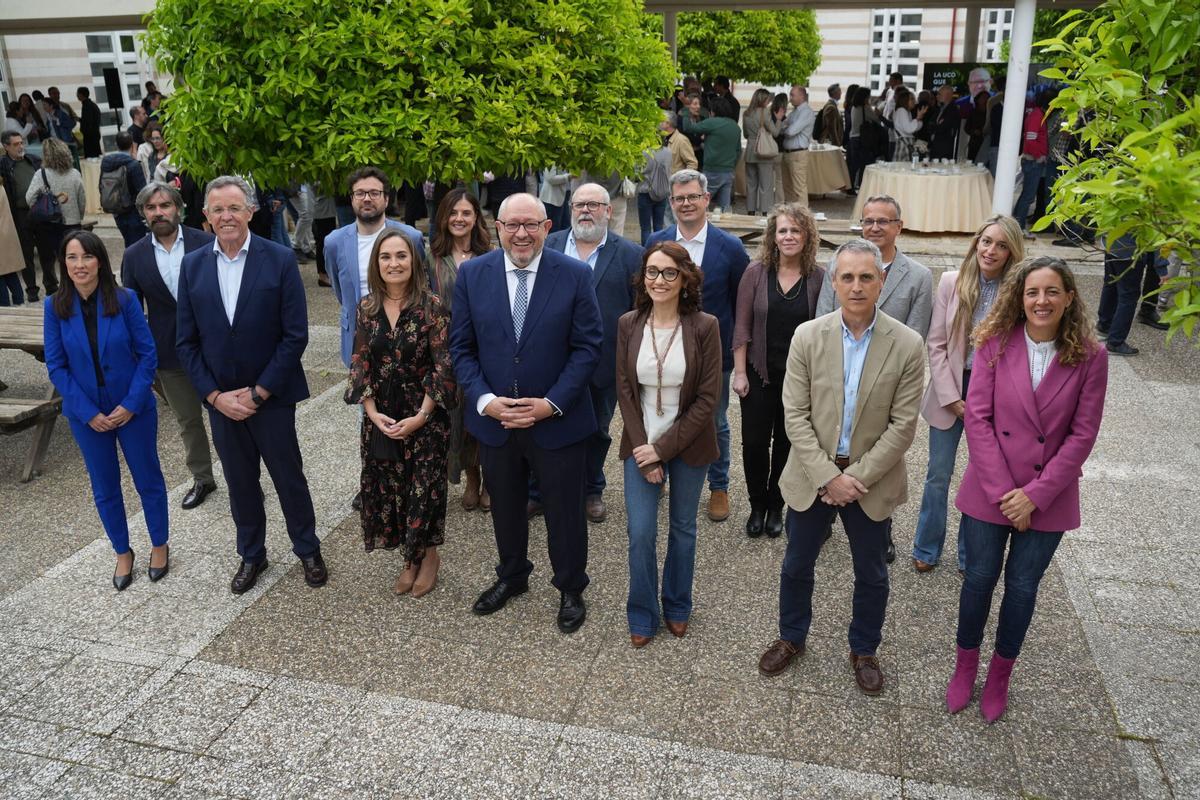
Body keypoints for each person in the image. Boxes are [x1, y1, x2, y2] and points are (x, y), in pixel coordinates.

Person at [757, 239, 925, 695]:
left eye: (866, 277)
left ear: (882, 282)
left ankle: (864, 648)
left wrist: (855, 479)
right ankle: (791, 638)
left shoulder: (907, 344)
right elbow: (794, 415)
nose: (856, 286)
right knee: (796, 563)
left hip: (870, 479)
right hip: (814, 476)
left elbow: (904, 425)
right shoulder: (808, 336)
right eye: (847, 277)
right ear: (833, 282)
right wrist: (829, 476)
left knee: (871, 572)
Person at [946, 256, 1108, 722]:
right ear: (1020, 297)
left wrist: (1035, 494)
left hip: (1049, 495)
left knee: (1021, 588)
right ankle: (965, 667)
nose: (1041, 300)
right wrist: (1005, 491)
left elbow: (1083, 434)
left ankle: (1000, 676)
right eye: (1033, 292)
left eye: (1052, 291)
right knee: (977, 580)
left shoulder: (1090, 356)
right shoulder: (994, 342)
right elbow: (978, 419)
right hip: (991, 488)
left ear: (1069, 298)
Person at [448, 193, 602, 634]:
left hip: (557, 421)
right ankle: (512, 576)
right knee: (506, 508)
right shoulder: (473, 275)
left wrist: (551, 403)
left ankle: (571, 587)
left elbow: (588, 347)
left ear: (547, 227)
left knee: (565, 512)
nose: (521, 234)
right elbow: (462, 347)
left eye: (530, 225)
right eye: (512, 225)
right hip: (496, 422)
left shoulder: (573, 275)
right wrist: (484, 401)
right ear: (496, 227)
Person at [176, 175, 328, 594]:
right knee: (240, 484)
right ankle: (252, 555)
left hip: (272, 399)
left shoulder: (278, 259)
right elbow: (185, 342)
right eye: (218, 209)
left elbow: (294, 335)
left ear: (251, 211)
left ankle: (308, 549)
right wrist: (214, 396)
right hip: (221, 402)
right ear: (205, 215)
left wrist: (260, 392)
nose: (227, 216)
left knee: (288, 478)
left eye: (234, 208)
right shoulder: (192, 266)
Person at [43, 231, 169, 590]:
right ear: (63, 263)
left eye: (86, 257)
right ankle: (122, 551)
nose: (79, 265)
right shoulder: (54, 307)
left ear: (100, 260)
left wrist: (130, 404)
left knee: (148, 479)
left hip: (133, 408)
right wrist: (87, 413)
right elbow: (56, 366)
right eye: (71, 258)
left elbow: (147, 355)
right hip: (88, 415)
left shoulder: (125, 300)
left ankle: (159, 544)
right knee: (105, 486)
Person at [817, 194, 933, 562]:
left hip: (884, 389)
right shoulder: (835, 265)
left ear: (899, 227)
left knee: (879, 467)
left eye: (884, 221)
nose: (875, 227)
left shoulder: (918, 277)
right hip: (836, 381)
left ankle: (879, 530)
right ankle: (826, 518)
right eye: (868, 221)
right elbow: (822, 317)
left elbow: (914, 335)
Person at [616, 241, 720, 647]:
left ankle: (678, 604)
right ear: (643, 278)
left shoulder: (704, 326)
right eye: (652, 272)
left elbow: (708, 398)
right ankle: (642, 611)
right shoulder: (628, 323)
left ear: (685, 278)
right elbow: (625, 391)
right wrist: (646, 450)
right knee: (641, 532)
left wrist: (664, 449)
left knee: (682, 528)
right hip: (641, 443)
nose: (659, 280)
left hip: (690, 443)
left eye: (669, 273)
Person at [346, 229, 456, 597]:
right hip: (382, 416)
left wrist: (423, 415)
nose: (394, 264)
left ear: (414, 260)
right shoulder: (367, 307)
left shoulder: (433, 307)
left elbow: (443, 366)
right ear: (377, 263)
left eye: (401, 256)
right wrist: (372, 413)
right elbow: (360, 362)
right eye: (386, 257)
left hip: (424, 415)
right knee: (393, 488)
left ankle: (428, 557)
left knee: (423, 489)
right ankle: (408, 558)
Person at [912, 215, 1025, 573]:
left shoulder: (1018, 291)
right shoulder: (951, 282)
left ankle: (969, 555)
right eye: (986, 241)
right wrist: (950, 397)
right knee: (938, 473)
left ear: (1012, 252)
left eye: (1001, 245)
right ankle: (926, 548)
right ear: (976, 242)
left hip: (994, 392)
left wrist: (986, 401)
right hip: (952, 385)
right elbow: (937, 344)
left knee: (980, 476)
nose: (991, 250)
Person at [646, 170, 749, 523]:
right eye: (679, 198)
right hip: (663, 347)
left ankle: (718, 486)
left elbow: (741, 304)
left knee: (715, 420)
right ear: (671, 202)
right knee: (663, 411)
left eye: (692, 196)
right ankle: (659, 468)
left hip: (713, 354)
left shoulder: (731, 248)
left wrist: (738, 355)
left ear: (706, 199)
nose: (686, 203)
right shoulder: (656, 242)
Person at [543, 183, 642, 522]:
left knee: (597, 429)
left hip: (604, 364)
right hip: (552, 362)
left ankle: (591, 489)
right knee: (546, 426)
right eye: (579, 204)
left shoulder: (630, 254)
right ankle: (540, 491)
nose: (585, 210)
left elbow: (637, 313)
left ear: (608, 211)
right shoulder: (549, 245)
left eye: (594, 205)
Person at [120, 180, 219, 509]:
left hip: (215, 347)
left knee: (229, 416)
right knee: (188, 420)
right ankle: (203, 478)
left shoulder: (206, 242)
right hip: (168, 350)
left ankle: (242, 476)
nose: (159, 212)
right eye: (151, 208)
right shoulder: (134, 256)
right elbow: (132, 311)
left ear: (178, 208)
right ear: (143, 214)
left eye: (165, 205)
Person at [732, 204, 824, 539]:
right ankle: (757, 504)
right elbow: (741, 327)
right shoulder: (756, 273)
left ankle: (776, 506)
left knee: (788, 445)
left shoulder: (819, 277)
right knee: (755, 444)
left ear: (807, 237)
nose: (789, 237)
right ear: (773, 236)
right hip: (759, 374)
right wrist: (740, 373)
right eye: (783, 230)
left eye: (796, 230)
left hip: (801, 380)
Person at [426, 188, 493, 513]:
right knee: (457, 418)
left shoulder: (490, 255)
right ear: (443, 218)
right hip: (445, 349)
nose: (459, 218)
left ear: (476, 218)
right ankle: (470, 478)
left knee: (484, 412)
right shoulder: (432, 259)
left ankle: (490, 480)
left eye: (466, 213)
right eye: (453, 213)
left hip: (485, 347)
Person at [324, 167, 425, 372]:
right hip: (359, 338)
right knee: (366, 400)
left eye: (374, 193)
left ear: (386, 199)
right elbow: (340, 290)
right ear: (352, 199)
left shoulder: (411, 237)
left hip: (405, 334)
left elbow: (421, 282)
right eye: (360, 193)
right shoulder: (334, 242)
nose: (367, 198)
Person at [24, 138, 83, 297]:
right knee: (72, 256)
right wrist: (78, 216)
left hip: (48, 223)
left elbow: (29, 198)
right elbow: (81, 199)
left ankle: (52, 288)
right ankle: (73, 285)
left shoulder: (40, 174)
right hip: (72, 223)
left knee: (47, 258)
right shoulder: (75, 173)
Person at [1, 130, 52, 302]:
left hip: (40, 210)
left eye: (21, 142)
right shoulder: (3, 165)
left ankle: (51, 284)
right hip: (20, 214)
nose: (20, 146)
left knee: (46, 250)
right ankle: (31, 289)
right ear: (5, 147)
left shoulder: (33, 160)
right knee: (26, 253)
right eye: (15, 144)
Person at [680, 105, 741, 211]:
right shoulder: (735, 126)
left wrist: (686, 112)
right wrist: (732, 166)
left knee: (701, 203)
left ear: (713, 112)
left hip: (712, 170)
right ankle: (723, 227)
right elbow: (738, 150)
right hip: (728, 171)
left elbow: (688, 128)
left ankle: (698, 226)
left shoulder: (712, 122)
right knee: (724, 207)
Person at [100, 130, 149, 247]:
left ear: (116, 144)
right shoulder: (133, 165)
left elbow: (101, 186)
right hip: (133, 212)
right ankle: (128, 265)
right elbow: (142, 192)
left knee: (129, 243)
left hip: (116, 211)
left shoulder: (106, 163)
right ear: (132, 145)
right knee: (137, 246)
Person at [742, 88, 783, 216]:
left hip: (750, 151)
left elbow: (746, 134)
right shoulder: (765, 112)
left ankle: (751, 211)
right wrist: (779, 120)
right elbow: (775, 132)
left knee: (751, 184)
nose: (769, 102)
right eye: (768, 99)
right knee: (766, 185)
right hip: (764, 152)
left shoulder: (746, 113)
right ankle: (765, 212)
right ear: (763, 99)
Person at [779, 86, 817, 207]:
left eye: (792, 95)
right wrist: (786, 128)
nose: (790, 98)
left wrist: (786, 128)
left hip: (798, 154)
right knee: (788, 188)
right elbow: (781, 127)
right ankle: (790, 216)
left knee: (799, 188)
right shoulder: (794, 112)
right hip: (788, 153)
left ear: (802, 96)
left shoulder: (806, 112)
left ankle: (802, 218)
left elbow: (790, 131)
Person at [847, 87, 880, 192]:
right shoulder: (865, 108)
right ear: (865, 97)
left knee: (853, 165)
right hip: (863, 139)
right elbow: (877, 120)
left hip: (853, 138)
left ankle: (850, 187)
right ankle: (862, 187)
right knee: (865, 164)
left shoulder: (853, 107)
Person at [891, 88, 926, 162]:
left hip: (905, 144)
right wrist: (918, 118)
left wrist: (918, 119)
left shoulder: (906, 111)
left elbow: (914, 127)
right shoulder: (902, 110)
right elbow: (909, 129)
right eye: (912, 99)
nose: (914, 101)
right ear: (905, 100)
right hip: (904, 144)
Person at [930, 84, 960, 161]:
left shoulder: (953, 110)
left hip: (944, 149)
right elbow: (929, 125)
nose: (937, 96)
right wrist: (937, 125)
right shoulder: (939, 108)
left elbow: (942, 128)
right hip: (935, 147)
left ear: (948, 95)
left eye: (939, 94)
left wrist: (936, 126)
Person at [75, 88, 102, 159]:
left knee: (92, 157)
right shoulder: (90, 104)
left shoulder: (87, 105)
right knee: (95, 156)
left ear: (81, 94)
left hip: (90, 136)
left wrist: (79, 120)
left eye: (77, 93)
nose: (77, 95)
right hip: (93, 135)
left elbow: (88, 121)